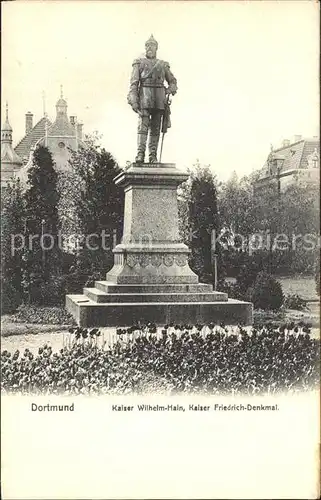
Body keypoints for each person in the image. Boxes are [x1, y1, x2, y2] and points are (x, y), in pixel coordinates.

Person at [127, 34, 178, 163]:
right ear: (145, 48)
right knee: (142, 128)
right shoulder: (139, 63)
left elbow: (173, 81)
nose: (150, 48)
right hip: (144, 96)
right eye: (148, 46)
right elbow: (134, 83)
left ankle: (152, 156)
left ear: (156, 48)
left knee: (155, 129)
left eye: (152, 46)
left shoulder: (162, 65)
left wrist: (169, 90)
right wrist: (134, 100)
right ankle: (140, 154)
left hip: (159, 99)